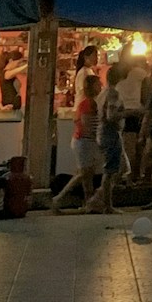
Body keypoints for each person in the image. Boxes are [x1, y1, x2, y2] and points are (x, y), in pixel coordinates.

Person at [52, 71, 104, 212]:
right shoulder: (88, 104)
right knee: (84, 175)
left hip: (86, 142)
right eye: (98, 84)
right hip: (85, 142)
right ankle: (60, 199)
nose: (101, 86)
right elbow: (87, 126)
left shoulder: (88, 103)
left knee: (86, 176)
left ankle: (87, 203)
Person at [91, 73, 128, 212]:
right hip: (110, 133)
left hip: (104, 132)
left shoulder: (103, 93)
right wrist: (131, 113)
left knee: (117, 168)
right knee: (112, 170)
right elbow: (111, 116)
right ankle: (104, 203)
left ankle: (100, 199)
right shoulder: (113, 93)